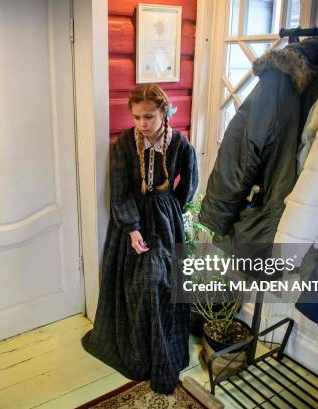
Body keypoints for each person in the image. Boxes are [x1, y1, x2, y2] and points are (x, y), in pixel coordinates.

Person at [81, 84, 198, 394]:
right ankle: (138, 352)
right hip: (131, 225)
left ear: (164, 112)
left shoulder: (179, 144)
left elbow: (190, 181)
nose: (142, 123)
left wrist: (173, 206)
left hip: (165, 222)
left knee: (163, 283)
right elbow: (118, 191)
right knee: (135, 286)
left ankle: (164, 352)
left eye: (149, 116)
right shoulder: (123, 145)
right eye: (136, 117)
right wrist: (133, 229)